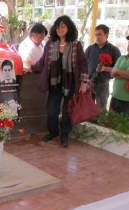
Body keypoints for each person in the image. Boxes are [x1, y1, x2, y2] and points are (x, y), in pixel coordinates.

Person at [33, 15, 89, 148]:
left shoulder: (76, 45)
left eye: (63, 26)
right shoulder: (50, 44)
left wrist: (84, 82)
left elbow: (83, 64)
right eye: (57, 26)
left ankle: (64, 135)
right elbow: (43, 62)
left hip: (71, 83)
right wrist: (30, 67)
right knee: (51, 110)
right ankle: (53, 132)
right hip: (54, 83)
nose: (60, 29)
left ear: (69, 28)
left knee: (67, 112)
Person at [85, 24, 121, 110]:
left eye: (99, 34)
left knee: (101, 110)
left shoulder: (113, 50)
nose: (97, 37)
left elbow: (118, 69)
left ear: (107, 35)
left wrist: (105, 69)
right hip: (89, 83)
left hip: (103, 84)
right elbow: (84, 65)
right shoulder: (90, 49)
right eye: (96, 34)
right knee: (87, 109)